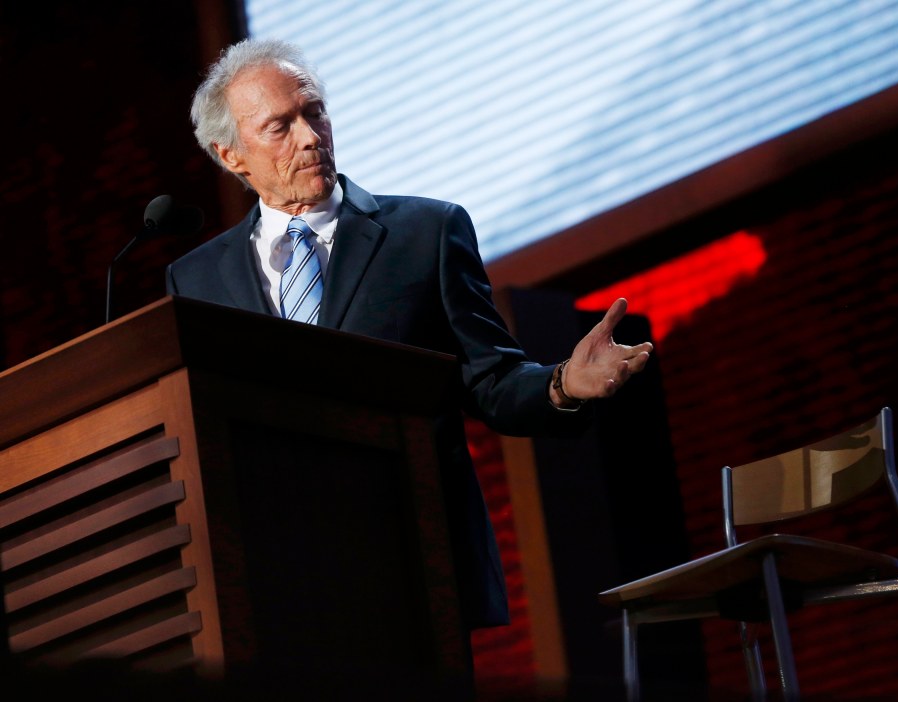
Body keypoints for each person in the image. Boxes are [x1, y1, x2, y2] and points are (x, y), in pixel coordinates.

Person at [166, 38, 653, 635]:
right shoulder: (195, 279)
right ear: (232, 155)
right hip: (275, 582)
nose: (310, 136)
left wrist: (562, 385)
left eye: (314, 111)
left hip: (414, 554)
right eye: (279, 127)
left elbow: (492, 381)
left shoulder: (424, 231)